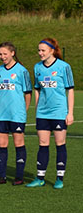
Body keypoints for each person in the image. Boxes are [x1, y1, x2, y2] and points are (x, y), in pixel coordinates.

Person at [27, 37, 75, 189]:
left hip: (59, 112)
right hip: (43, 113)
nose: (40, 53)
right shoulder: (37, 67)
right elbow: (37, 88)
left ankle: (59, 178)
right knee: (43, 144)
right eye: (39, 50)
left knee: (60, 143)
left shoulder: (64, 67)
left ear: (52, 51)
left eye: (43, 50)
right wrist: (37, 108)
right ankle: (40, 177)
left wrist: (70, 113)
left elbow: (70, 90)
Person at [0, 42, 32, 185]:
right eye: (0, 54)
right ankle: (2, 177)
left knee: (18, 144)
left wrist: (23, 110)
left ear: (12, 53)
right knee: (2, 144)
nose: (2, 57)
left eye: (5, 54)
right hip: (1, 114)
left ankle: (19, 177)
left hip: (17, 114)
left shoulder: (22, 71)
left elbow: (28, 94)